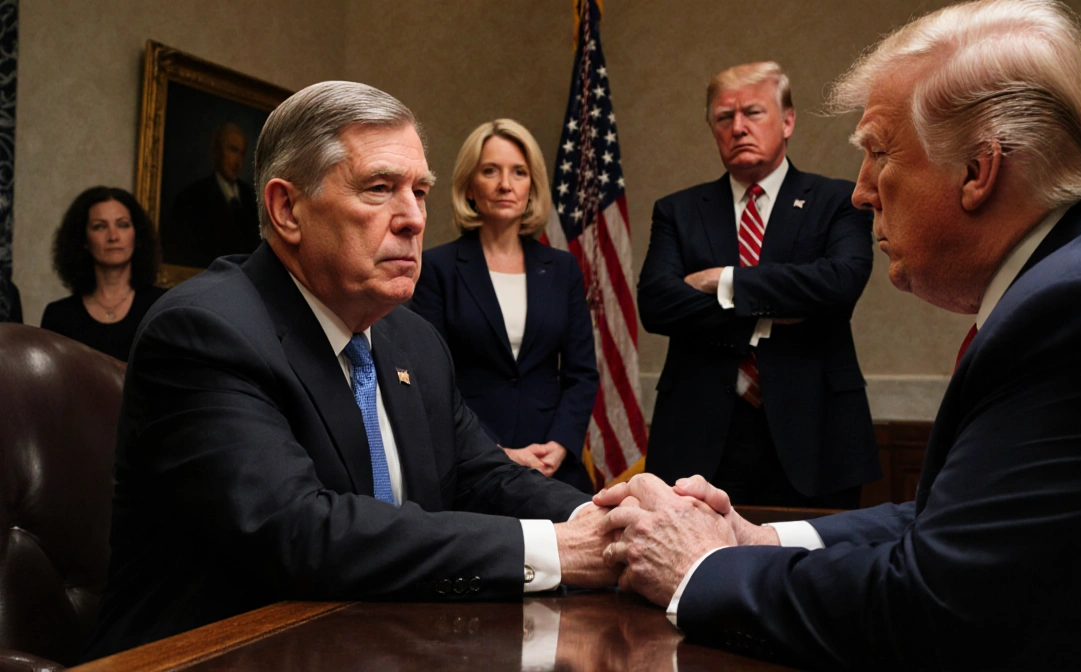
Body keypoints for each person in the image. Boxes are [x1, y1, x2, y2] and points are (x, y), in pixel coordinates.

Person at [600, 1, 1081, 668]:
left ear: (979, 170)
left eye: (880, 153)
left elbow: (936, 606)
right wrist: (760, 540)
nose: (861, 193)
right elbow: (962, 520)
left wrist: (705, 566)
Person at [84, 82, 617, 660]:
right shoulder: (205, 331)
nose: (413, 220)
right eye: (380, 189)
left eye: (419, 191)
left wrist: (610, 521)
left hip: (386, 644)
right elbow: (299, 533)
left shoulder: (411, 338)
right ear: (287, 209)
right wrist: (560, 548)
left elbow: (484, 477)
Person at [637, 61, 878, 509]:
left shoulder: (837, 201)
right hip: (700, 437)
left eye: (753, 112)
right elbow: (656, 304)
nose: (738, 127)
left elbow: (839, 284)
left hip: (816, 432)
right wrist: (775, 306)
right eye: (724, 118)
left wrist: (724, 281)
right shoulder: (679, 211)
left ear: (788, 121)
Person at [409, 120, 599, 493]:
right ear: (469, 186)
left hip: (553, 464)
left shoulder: (562, 268)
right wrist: (495, 450)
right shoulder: (436, 269)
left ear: (533, 187)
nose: (505, 185)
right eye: (490, 171)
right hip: (472, 462)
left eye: (519, 172)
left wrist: (560, 445)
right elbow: (432, 377)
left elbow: (582, 374)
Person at [41, 186, 165, 361]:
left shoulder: (162, 307)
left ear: (137, 236)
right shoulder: (59, 315)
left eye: (122, 225)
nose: (113, 236)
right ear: (83, 240)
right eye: (99, 227)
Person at [160, 122, 261, 268]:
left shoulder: (252, 198)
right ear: (217, 152)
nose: (238, 161)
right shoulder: (191, 197)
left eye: (242, 153)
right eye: (233, 150)